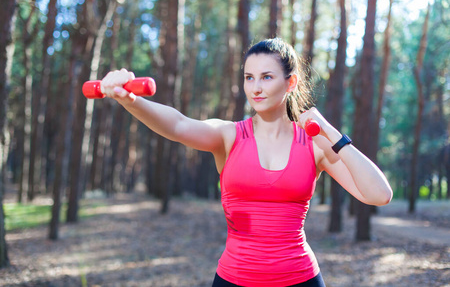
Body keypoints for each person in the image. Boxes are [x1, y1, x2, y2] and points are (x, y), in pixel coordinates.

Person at [99, 38, 393, 287]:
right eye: (249, 77)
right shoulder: (229, 136)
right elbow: (177, 125)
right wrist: (130, 100)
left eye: (267, 77)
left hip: (300, 278)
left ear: (290, 82)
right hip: (234, 279)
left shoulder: (314, 144)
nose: (256, 88)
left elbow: (379, 195)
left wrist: (331, 133)